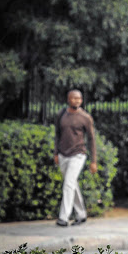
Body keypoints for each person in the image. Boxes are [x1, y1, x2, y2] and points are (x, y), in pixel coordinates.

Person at [54, 89, 97, 227]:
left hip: (78, 154)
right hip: (63, 154)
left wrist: (93, 161)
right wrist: (56, 153)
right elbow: (57, 135)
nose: (76, 101)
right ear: (68, 99)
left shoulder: (85, 117)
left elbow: (91, 140)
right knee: (72, 184)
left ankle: (63, 218)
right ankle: (81, 214)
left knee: (68, 184)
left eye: (79, 98)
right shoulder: (61, 114)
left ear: (81, 100)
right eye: (74, 98)